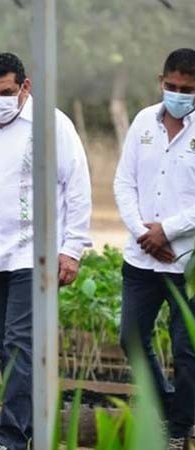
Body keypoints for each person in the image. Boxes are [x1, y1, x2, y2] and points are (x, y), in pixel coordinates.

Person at [0, 52, 92, 450]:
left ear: (25, 87)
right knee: (5, 345)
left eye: (6, 92)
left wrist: (72, 248)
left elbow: (78, 187)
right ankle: (33, 422)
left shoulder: (52, 124)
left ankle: (10, 438)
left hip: (36, 254)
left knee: (18, 342)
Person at [114, 47, 195, 450]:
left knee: (187, 347)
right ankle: (170, 406)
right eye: (172, 86)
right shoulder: (144, 120)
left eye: (187, 89)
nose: (178, 93)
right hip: (141, 257)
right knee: (130, 335)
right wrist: (144, 232)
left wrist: (169, 231)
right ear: (160, 81)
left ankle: (179, 428)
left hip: (187, 262)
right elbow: (123, 182)